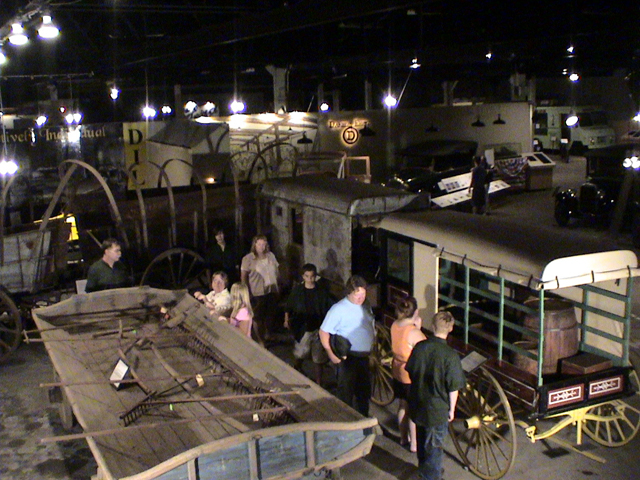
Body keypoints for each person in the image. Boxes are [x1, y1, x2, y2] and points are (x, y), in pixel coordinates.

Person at [406, 311, 466, 480]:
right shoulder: (450, 356)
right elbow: (454, 387)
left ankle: (423, 471)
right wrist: (452, 410)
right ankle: (429, 477)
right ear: (451, 328)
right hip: (437, 409)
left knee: (422, 443)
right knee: (434, 448)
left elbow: (411, 371)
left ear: (432, 326)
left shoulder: (420, 347)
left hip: (418, 402)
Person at [319, 275, 375, 417]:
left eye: (363, 294)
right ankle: (345, 421)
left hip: (364, 357)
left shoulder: (366, 305)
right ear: (349, 293)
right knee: (346, 393)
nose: (361, 298)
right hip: (348, 358)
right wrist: (331, 354)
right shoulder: (338, 309)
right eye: (358, 295)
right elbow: (324, 332)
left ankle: (362, 419)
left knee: (364, 393)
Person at [284, 263, 335, 386]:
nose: (310, 279)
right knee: (301, 352)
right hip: (303, 328)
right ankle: (297, 367)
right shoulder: (298, 291)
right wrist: (286, 320)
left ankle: (318, 382)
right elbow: (289, 306)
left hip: (318, 328)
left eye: (312, 276)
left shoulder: (321, 292)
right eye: (307, 276)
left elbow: (329, 305)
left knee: (318, 358)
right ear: (303, 277)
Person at [391, 296, 427, 453]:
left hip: (397, 371)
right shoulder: (413, 332)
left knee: (402, 405)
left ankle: (403, 437)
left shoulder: (394, 325)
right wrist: (418, 328)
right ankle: (414, 444)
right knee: (414, 410)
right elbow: (426, 350)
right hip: (411, 376)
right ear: (416, 312)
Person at [241, 235, 279, 343]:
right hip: (257, 292)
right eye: (259, 244)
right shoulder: (248, 259)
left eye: (264, 244)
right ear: (255, 245)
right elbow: (244, 277)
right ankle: (260, 340)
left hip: (271, 291)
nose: (262, 247)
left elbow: (276, 271)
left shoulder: (271, 256)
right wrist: (246, 293)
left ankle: (268, 334)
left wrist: (278, 286)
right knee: (258, 317)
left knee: (270, 315)